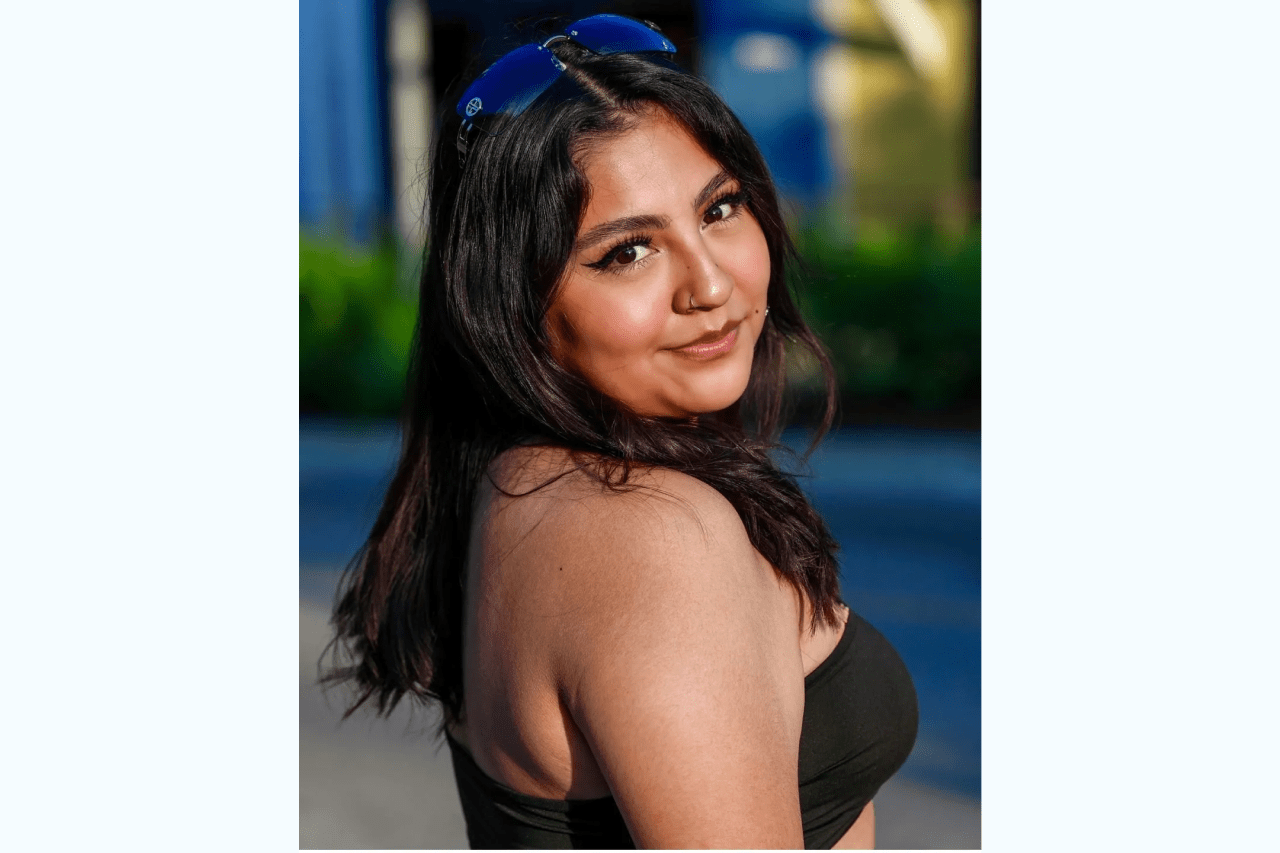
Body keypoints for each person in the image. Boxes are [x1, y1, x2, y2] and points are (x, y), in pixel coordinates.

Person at [324, 13, 917, 849]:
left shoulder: (518, 479)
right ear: (512, 306)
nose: (709, 282)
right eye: (627, 252)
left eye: (720, 207)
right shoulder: (648, 537)